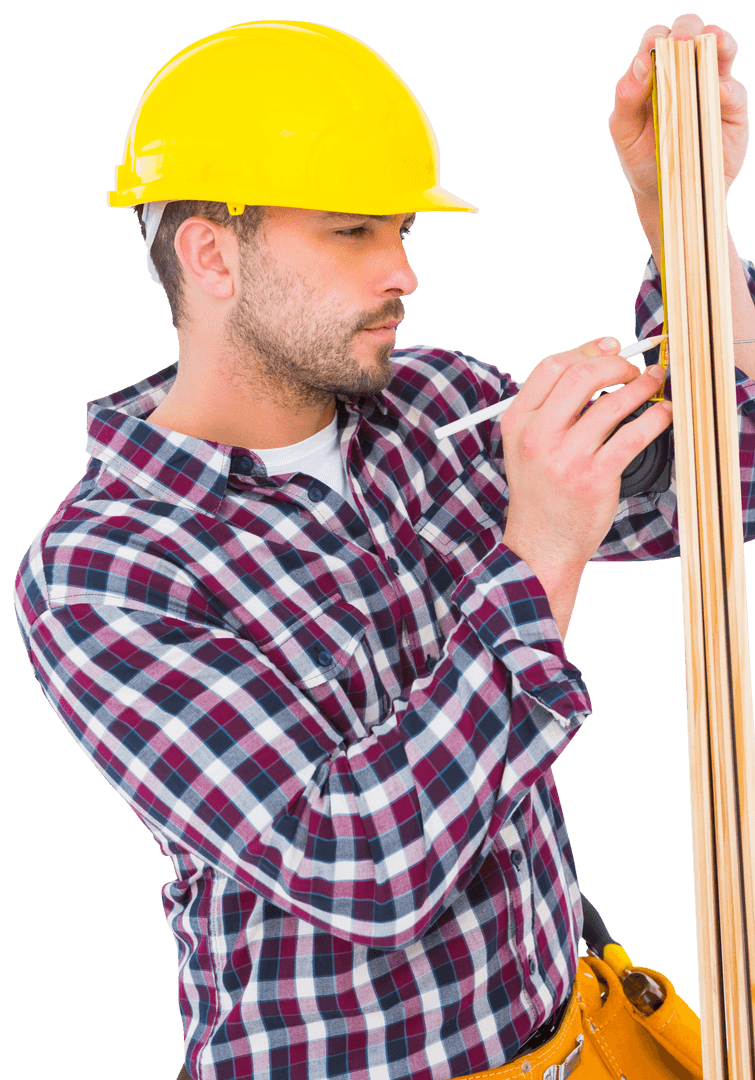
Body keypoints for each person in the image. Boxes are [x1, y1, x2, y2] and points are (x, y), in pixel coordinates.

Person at [13, 13, 754, 1080]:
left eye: (403, 231)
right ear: (211, 254)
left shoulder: (431, 406)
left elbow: (723, 482)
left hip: (578, 1037)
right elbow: (363, 866)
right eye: (353, 232)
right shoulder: (104, 572)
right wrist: (538, 546)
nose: (403, 271)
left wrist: (679, 214)